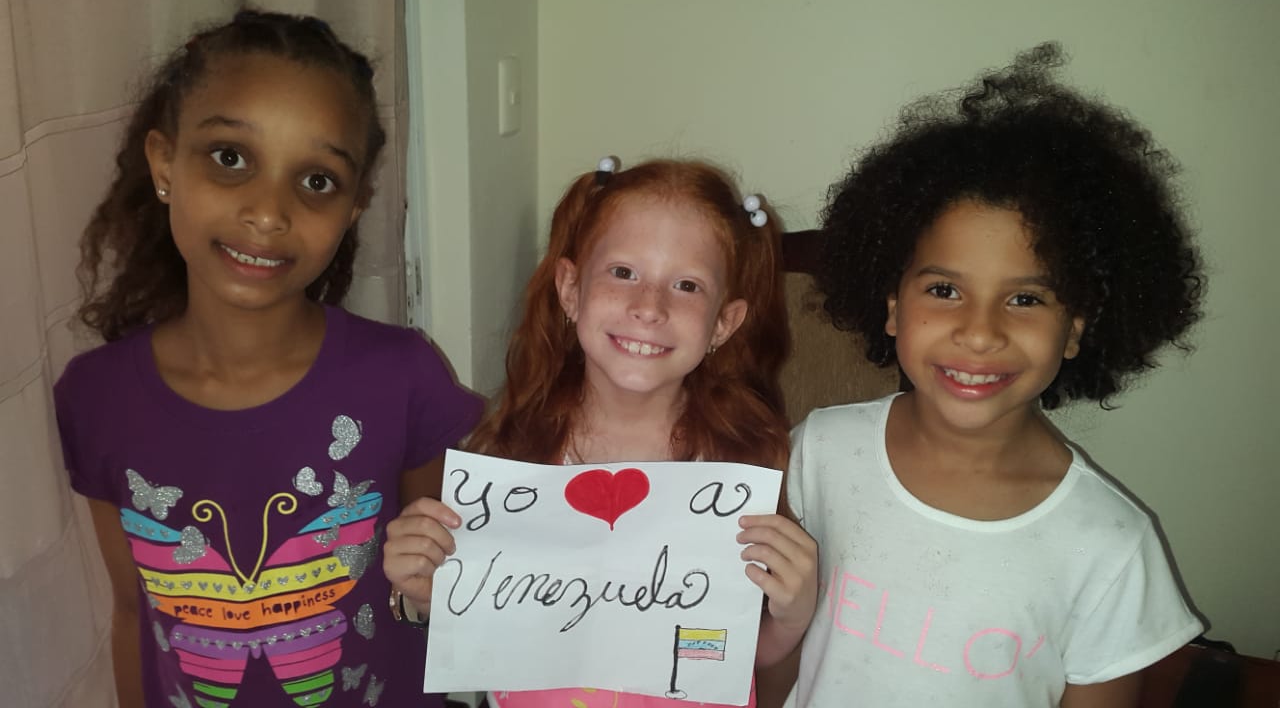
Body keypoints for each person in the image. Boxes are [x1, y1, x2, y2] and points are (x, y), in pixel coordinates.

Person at [54, 10, 482, 708]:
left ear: (353, 207)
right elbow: (134, 612)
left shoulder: (402, 379)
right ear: (164, 165)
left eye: (316, 181)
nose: (268, 213)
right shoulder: (96, 398)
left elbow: (444, 591)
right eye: (231, 158)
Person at [784, 43, 1205, 707]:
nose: (980, 332)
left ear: (1075, 329)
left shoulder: (1110, 546)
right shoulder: (817, 452)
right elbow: (767, 657)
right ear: (892, 307)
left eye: (1026, 298)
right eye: (945, 290)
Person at [382, 157, 819, 707]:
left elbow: (736, 652)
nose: (649, 307)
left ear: (723, 324)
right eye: (623, 272)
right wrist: (424, 595)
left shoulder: (741, 464)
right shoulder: (509, 458)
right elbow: (483, 627)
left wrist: (793, 613)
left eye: (686, 285)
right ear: (570, 290)